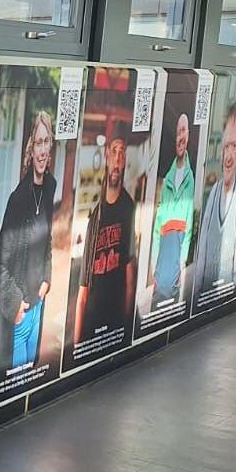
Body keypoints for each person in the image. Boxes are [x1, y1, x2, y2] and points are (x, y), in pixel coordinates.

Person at [0, 111, 55, 382]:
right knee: (13, 386)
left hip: (39, 307)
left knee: (29, 381)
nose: (41, 149)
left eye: (46, 141)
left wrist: (47, 278)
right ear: (30, 148)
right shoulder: (17, 199)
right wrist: (16, 306)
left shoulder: (50, 187)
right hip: (21, 313)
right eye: (37, 143)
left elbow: (47, 241)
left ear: (51, 146)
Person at [74, 124, 136, 345]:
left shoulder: (128, 207)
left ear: (125, 160)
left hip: (115, 319)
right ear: (107, 156)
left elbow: (130, 277)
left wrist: (126, 327)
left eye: (122, 153)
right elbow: (82, 290)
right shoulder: (95, 211)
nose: (118, 159)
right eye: (115, 151)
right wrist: (76, 343)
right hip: (91, 318)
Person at [194, 104, 236, 298]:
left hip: (225, 292)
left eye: (234, 146)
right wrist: (196, 290)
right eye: (226, 146)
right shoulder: (214, 191)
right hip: (204, 292)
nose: (229, 155)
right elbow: (203, 243)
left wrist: (235, 286)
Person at [151, 111, 194, 305]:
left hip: (176, 271)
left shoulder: (189, 179)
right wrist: (153, 266)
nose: (181, 137)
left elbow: (189, 225)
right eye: (178, 132)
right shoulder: (167, 178)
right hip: (161, 273)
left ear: (188, 136)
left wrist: (182, 264)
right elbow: (157, 227)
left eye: (184, 131)